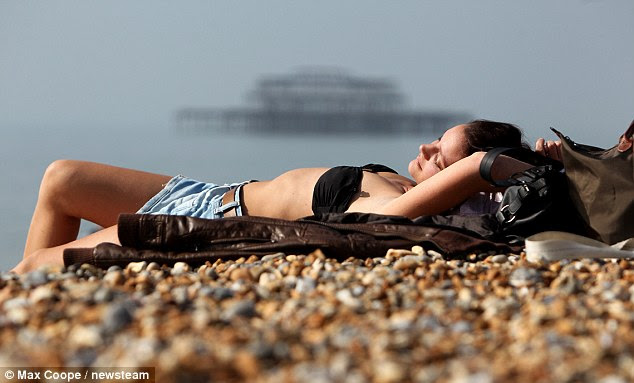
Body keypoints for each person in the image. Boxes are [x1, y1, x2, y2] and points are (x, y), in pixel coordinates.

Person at [14, 119, 555, 273]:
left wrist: (486, 166)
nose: (424, 147)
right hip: (211, 193)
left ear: (462, 179)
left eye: (440, 152)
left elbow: (381, 218)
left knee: (36, 267)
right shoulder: (406, 183)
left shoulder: (402, 203)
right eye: (436, 138)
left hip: (208, 224)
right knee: (61, 177)